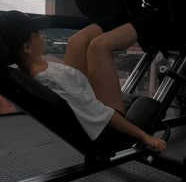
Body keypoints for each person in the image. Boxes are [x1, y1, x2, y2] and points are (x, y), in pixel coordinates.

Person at [0, 10, 167, 156]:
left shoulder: (25, 70)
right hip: (108, 132)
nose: (41, 33)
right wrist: (144, 136)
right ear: (27, 47)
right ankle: (159, 16)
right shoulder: (54, 81)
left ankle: (121, 14)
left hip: (79, 92)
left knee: (76, 42)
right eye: (36, 32)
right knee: (100, 46)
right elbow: (103, 114)